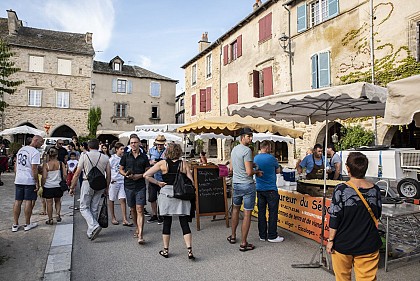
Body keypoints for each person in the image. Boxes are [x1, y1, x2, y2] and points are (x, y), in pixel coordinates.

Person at [327, 152, 382, 281]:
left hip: (343, 243)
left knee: (342, 278)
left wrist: (330, 241)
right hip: (368, 243)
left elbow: (334, 217)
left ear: (348, 168)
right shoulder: (375, 189)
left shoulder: (340, 189)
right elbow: (378, 213)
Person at [144, 143, 196, 260]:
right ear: (179, 152)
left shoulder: (162, 163)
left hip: (166, 193)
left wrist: (157, 183)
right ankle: (189, 250)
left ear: (167, 152)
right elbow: (191, 181)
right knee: (184, 223)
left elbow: (146, 175)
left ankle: (166, 250)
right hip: (181, 194)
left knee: (167, 223)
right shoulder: (184, 164)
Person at [228, 127, 262, 251]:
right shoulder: (247, 151)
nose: (251, 138)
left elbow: (231, 168)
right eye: (249, 136)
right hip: (247, 185)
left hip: (236, 184)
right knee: (247, 214)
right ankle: (243, 243)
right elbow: (248, 172)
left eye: (251, 136)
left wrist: (248, 166)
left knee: (236, 210)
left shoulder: (234, 149)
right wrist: (256, 171)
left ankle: (232, 236)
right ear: (242, 137)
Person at [69, 139, 111, 241]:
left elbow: (77, 173)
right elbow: (109, 175)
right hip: (100, 184)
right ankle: (91, 231)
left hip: (87, 182)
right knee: (94, 207)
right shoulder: (105, 158)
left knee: (83, 207)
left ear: (88, 146)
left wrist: (72, 187)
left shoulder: (84, 156)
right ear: (99, 146)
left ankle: (94, 225)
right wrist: (107, 187)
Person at [119, 135, 150, 244]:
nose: (133, 144)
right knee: (132, 209)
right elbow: (121, 169)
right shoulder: (126, 156)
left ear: (139, 143)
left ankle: (140, 235)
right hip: (128, 185)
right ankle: (137, 227)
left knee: (140, 209)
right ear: (130, 144)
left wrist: (140, 175)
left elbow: (147, 171)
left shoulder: (144, 157)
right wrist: (125, 175)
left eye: (135, 142)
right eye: (132, 143)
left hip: (140, 185)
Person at [253, 140, 284, 243]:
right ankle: (272, 235)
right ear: (266, 148)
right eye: (270, 147)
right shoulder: (272, 158)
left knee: (261, 213)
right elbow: (278, 170)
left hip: (260, 188)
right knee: (273, 213)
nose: (271, 149)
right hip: (270, 188)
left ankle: (262, 235)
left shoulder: (255, 158)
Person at [12, 135, 44, 232]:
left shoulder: (21, 150)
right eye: (41, 142)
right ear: (35, 140)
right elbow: (34, 168)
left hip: (19, 179)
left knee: (18, 201)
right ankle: (27, 223)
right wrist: (37, 182)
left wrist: (17, 175)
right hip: (29, 179)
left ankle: (15, 224)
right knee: (28, 201)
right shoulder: (35, 152)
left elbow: (16, 165)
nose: (42, 144)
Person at [41, 147, 67, 224]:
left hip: (48, 186)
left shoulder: (46, 165)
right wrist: (63, 181)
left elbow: (44, 177)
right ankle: (58, 215)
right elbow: (65, 174)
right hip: (58, 185)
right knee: (58, 201)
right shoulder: (60, 163)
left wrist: (42, 185)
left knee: (49, 203)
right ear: (57, 155)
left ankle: (50, 219)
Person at [108, 142, 131, 226]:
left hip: (122, 180)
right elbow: (107, 170)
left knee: (123, 199)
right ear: (117, 149)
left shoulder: (124, 158)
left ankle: (125, 218)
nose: (122, 151)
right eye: (121, 149)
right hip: (114, 181)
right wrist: (109, 179)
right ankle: (113, 217)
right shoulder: (112, 159)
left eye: (123, 149)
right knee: (112, 199)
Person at [147, 135, 167, 224]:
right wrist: (151, 162)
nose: (159, 146)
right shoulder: (151, 150)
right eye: (158, 144)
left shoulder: (167, 151)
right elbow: (147, 161)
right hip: (152, 177)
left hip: (162, 178)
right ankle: (154, 215)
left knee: (162, 198)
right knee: (152, 198)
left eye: (161, 144)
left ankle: (161, 215)